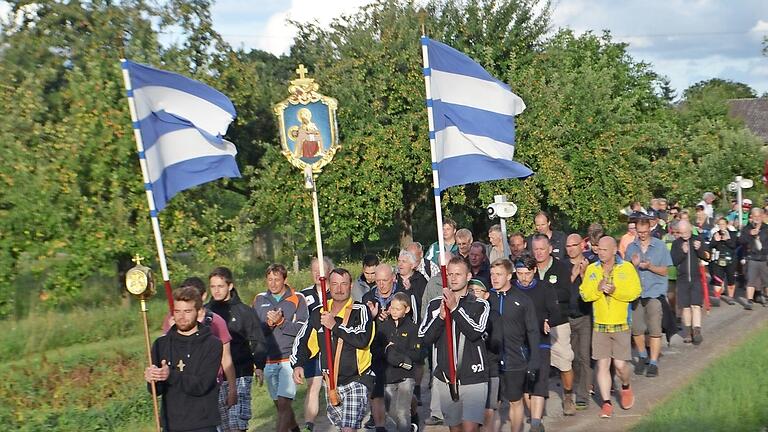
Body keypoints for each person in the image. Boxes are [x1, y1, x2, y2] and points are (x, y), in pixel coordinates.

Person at [291, 268, 376, 432]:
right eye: (335, 284)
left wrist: (335, 325)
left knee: (347, 429)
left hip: (357, 380)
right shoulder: (319, 312)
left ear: (351, 286)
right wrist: (298, 364)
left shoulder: (361, 310)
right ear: (328, 286)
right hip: (331, 383)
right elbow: (304, 341)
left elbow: (362, 339)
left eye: (344, 284)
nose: (339, 288)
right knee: (341, 426)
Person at [419, 256, 490, 432]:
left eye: (458, 274)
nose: (453, 278)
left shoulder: (480, 304)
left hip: (473, 377)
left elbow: (475, 332)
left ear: (468, 276)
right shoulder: (435, 304)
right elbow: (424, 338)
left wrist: (455, 309)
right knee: (455, 428)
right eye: (450, 274)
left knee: (470, 428)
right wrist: (441, 317)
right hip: (446, 377)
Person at [579, 236, 641, 419]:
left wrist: (616, 292)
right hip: (600, 325)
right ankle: (606, 403)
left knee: (621, 365)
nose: (600, 252)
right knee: (602, 364)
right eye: (598, 249)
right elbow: (584, 294)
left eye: (605, 249)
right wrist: (597, 289)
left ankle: (626, 386)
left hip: (621, 323)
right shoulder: (592, 269)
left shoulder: (626, 268)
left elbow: (635, 292)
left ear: (614, 250)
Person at [146, 286, 223, 432]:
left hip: (202, 423)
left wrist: (170, 375)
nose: (181, 317)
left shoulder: (212, 344)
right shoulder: (160, 344)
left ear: (199, 312)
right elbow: (156, 391)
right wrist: (153, 379)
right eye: (177, 311)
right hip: (171, 423)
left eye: (187, 311)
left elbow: (202, 385)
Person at [161, 277, 237, 409]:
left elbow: (226, 357)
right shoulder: (172, 319)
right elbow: (163, 353)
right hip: (179, 383)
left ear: (202, 296)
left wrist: (232, 388)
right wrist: (172, 332)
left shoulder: (215, 322)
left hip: (211, 384)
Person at [207, 267, 266, 432]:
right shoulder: (206, 314)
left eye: (220, 286)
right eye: (213, 287)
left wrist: (259, 366)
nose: (217, 290)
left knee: (237, 425)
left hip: (240, 372)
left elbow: (257, 339)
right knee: (223, 426)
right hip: (216, 376)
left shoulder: (244, 312)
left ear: (230, 286)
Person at [252, 264, 309, 432]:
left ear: (285, 279)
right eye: (270, 279)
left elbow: (303, 330)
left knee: (284, 404)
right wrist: (269, 325)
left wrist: (282, 323)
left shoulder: (297, 298)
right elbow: (254, 333)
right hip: (269, 360)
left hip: (288, 360)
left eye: (277, 279)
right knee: (281, 408)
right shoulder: (259, 300)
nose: (273, 283)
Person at [490, 258, 540, 432]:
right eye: (492, 274)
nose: (494, 278)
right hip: (492, 360)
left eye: (499, 274)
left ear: (509, 275)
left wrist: (534, 360)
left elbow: (533, 331)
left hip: (515, 358)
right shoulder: (487, 299)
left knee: (515, 401)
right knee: (492, 405)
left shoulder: (523, 300)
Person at [513, 249, 561, 432]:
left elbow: (556, 313)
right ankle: (535, 417)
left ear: (534, 271)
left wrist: (549, 322)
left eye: (527, 273)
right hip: (518, 343)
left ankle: (534, 422)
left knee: (540, 380)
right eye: (520, 273)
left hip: (540, 340)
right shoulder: (511, 288)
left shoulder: (545, 288)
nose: (524, 278)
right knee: (525, 384)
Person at [531, 234, 576, 416]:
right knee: (536, 364)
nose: (539, 253)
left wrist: (546, 298)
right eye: (535, 249)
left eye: (542, 249)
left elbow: (565, 293)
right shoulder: (529, 269)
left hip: (558, 322)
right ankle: (537, 404)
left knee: (564, 361)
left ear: (550, 248)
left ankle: (567, 395)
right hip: (534, 324)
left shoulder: (562, 267)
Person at [625, 219, 672, 377]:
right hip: (637, 294)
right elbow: (624, 274)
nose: (642, 235)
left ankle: (653, 362)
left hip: (654, 293)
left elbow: (665, 271)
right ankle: (642, 356)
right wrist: (633, 264)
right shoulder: (631, 248)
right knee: (637, 329)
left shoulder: (660, 246)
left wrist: (650, 267)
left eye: (645, 232)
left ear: (650, 230)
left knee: (654, 329)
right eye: (640, 232)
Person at [363, 264, 401, 431]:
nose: (381, 284)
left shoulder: (403, 294)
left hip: (399, 345)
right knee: (376, 384)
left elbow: (412, 317)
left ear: (393, 278)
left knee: (401, 388)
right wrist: (375, 317)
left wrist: (394, 316)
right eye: (378, 280)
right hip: (376, 347)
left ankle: (409, 412)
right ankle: (376, 419)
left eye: (385, 280)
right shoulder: (367, 297)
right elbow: (363, 323)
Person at [299, 257, 334, 432]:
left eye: (319, 270)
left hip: (332, 347)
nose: (316, 273)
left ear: (328, 272)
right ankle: (309, 425)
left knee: (333, 386)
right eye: (313, 270)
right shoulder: (304, 295)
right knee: (313, 386)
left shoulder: (336, 292)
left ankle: (337, 422)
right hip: (313, 349)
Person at [378, 292, 421, 432]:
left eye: (398, 308)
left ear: (406, 309)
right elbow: (376, 349)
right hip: (388, 376)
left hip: (406, 376)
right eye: (392, 308)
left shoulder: (413, 329)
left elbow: (417, 354)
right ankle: (411, 420)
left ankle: (407, 424)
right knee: (390, 411)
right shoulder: (383, 327)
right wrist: (386, 351)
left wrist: (398, 355)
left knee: (403, 412)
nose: (394, 311)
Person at [468, 277, 501, 431]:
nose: (473, 294)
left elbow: (497, 343)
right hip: (469, 371)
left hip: (490, 367)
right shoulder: (462, 313)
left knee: (488, 411)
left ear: (487, 295)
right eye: (470, 290)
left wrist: (484, 338)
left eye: (477, 291)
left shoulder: (493, 316)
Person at [564, 234, 592, 410]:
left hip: (585, 316)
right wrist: (573, 276)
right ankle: (573, 388)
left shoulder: (590, 264)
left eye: (573, 245)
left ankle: (582, 395)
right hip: (567, 316)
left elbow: (593, 289)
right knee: (572, 358)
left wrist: (583, 274)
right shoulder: (562, 266)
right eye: (567, 246)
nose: (570, 249)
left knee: (583, 357)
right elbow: (560, 291)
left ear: (582, 245)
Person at [671, 220, 709, 344]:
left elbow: (706, 256)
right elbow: (674, 261)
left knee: (696, 305)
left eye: (686, 232)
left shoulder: (697, 239)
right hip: (682, 279)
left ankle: (696, 331)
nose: (685, 235)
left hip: (696, 277)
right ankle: (687, 332)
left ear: (690, 229)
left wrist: (699, 250)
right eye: (681, 232)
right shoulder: (676, 243)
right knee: (686, 307)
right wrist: (683, 252)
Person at [739, 208, 768, 309]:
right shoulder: (746, 228)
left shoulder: (766, 228)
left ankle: (765, 297)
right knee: (751, 280)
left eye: (759, 216)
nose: (757, 218)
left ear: (762, 216)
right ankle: (749, 301)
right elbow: (741, 241)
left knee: (766, 281)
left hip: (765, 258)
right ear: (751, 217)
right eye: (754, 216)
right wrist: (749, 234)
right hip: (752, 258)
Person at [710, 217, 738, 304]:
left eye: (723, 224)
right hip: (718, 260)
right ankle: (717, 298)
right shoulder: (716, 234)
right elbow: (710, 246)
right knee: (718, 279)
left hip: (730, 260)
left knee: (730, 279)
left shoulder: (733, 234)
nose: (721, 226)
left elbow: (734, 245)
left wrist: (727, 240)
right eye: (720, 224)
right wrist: (715, 240)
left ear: (727, 224)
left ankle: (730, 297)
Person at [396, 249, 428, 324]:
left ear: (412, 265)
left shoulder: (420, 279)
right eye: (399, 261)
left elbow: (423, 301)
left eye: (404, 261)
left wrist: (410, 289)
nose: (400, 264)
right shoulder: (394, 278)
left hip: (416, 321)